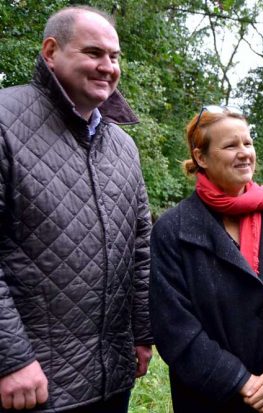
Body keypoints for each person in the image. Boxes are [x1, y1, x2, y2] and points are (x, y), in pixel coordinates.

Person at [0, 6, 153, 412]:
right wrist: (10, 359)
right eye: (93, 53)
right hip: (30, 384)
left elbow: (139, 247)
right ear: (51, 51)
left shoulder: (123, 146)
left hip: (111, 377)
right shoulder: (4, 121)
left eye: (115, 57)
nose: (108, 66)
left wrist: (142, 334)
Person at [149, 105, 263, 413]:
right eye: (230, 145)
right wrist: (240, 381)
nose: (244, 152)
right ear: (201, 157)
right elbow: (174, 327)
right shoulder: (173, 230)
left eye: (248, 142)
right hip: (212, 399)